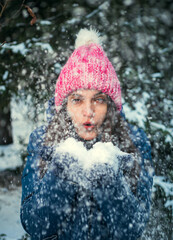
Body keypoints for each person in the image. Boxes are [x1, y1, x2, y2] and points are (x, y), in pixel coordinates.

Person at [20, 28, 154, 240]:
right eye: (77, 99)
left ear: (110, 104)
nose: (88, 111)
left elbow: (133, 230)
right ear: (64, 105)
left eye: (98, 99)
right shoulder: (43, 141)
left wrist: (110, 185)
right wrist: (60, 175)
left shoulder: (134, 142)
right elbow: (35, 226)